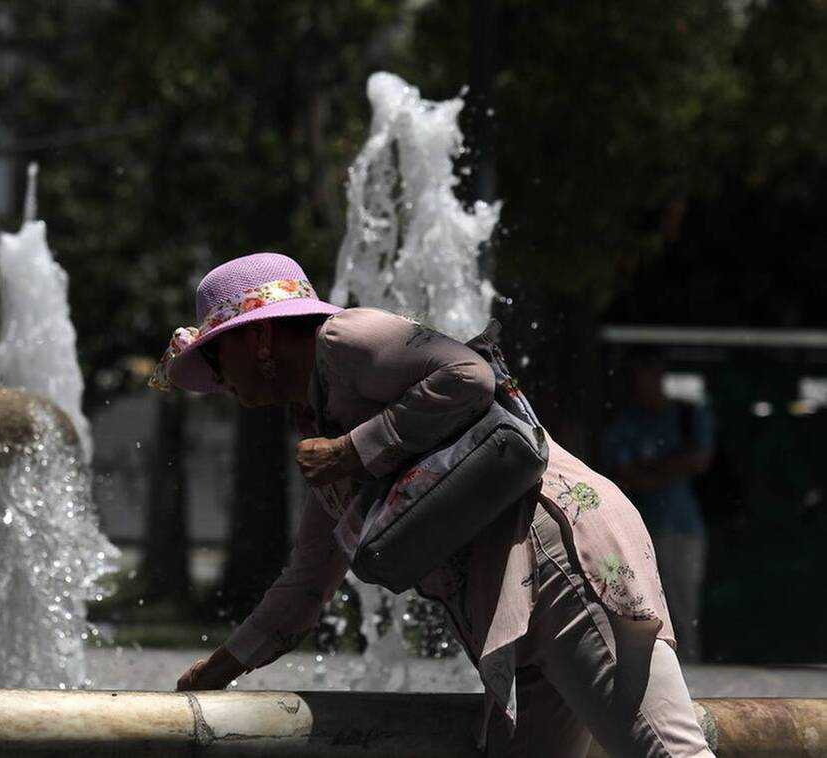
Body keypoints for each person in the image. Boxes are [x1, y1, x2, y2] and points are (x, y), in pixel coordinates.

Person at [149, 253, 713, 757]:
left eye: (215, 355)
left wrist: (352, 450)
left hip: (558, 556)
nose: (217, 378)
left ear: (259, 339)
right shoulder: (320, 428)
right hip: (509, 598)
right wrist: (218, 669)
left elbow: (469, 375)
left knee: (667, 752)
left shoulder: (343, 339)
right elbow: (305, 585)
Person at [602, 350, 715, 663]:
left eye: (650, 374)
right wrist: (670, 466)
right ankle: (657, 667)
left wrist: (652, 469)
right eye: (638, 376)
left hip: (684, 526)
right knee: (645, 602)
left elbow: (700, 460)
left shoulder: (686, 415)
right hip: (641, 529)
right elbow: (628, 474)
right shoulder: (626, 423)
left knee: (684, 602)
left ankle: (690, 665)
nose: (644, 383)